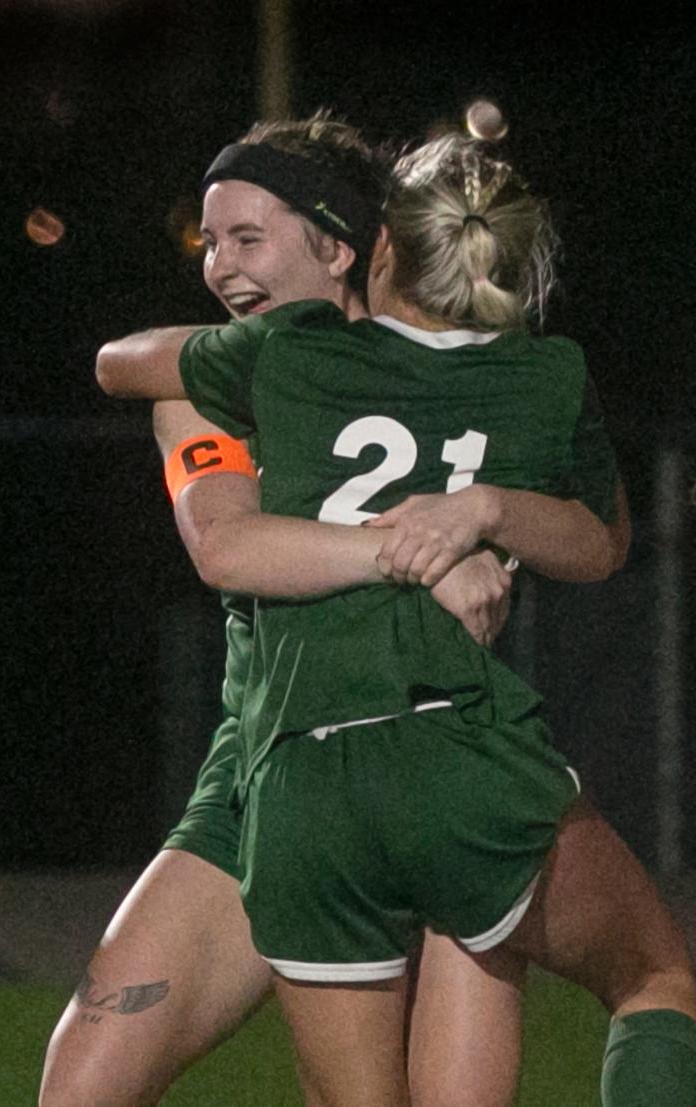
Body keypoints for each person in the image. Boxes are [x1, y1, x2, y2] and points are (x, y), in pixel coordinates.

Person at [95, 131, 696, 1105]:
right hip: (433, 755)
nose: (219, 266)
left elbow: (124, 373)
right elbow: (599, 544)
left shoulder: (273, 362)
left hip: (304, 767)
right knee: (654, 977)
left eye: (246, 238)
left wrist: (447, 527)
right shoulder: (535, 377)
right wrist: (453, 530)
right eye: (211, 244)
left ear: (354, 248)